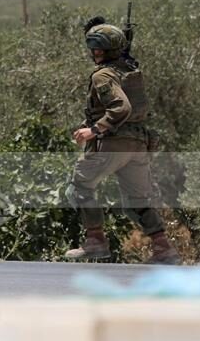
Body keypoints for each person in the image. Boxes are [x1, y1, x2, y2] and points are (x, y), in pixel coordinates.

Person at [63, 23, 180, 265]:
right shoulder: (129, 70)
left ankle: (95, 240)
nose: (93, 52)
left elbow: (121, 107)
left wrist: (94, 130)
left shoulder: (102, 75)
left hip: (113, 143)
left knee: (80, 186)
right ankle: (163, 248)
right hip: (138, 144)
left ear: (100, 51)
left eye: (96, 48)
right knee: (137, 201)